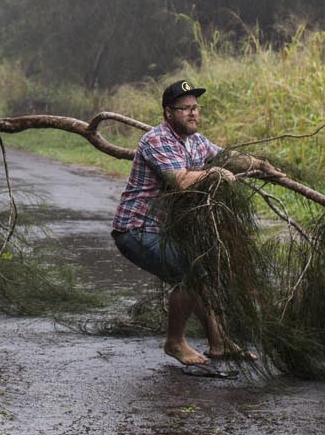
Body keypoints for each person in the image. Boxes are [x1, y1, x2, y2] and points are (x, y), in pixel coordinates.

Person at [110, 78, 281, 367]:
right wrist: (214, 174)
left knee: (199, 270)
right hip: (136, 229)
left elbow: (228, 158)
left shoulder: (196, 141)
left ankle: (220, 343)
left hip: (163, 230)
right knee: (190, 273)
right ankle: (175, 342)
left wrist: (262, 165)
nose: (192, 113)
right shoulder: (156, 140)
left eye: (195, 108)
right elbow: (180, 180)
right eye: (184, 108)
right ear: (168, 113)